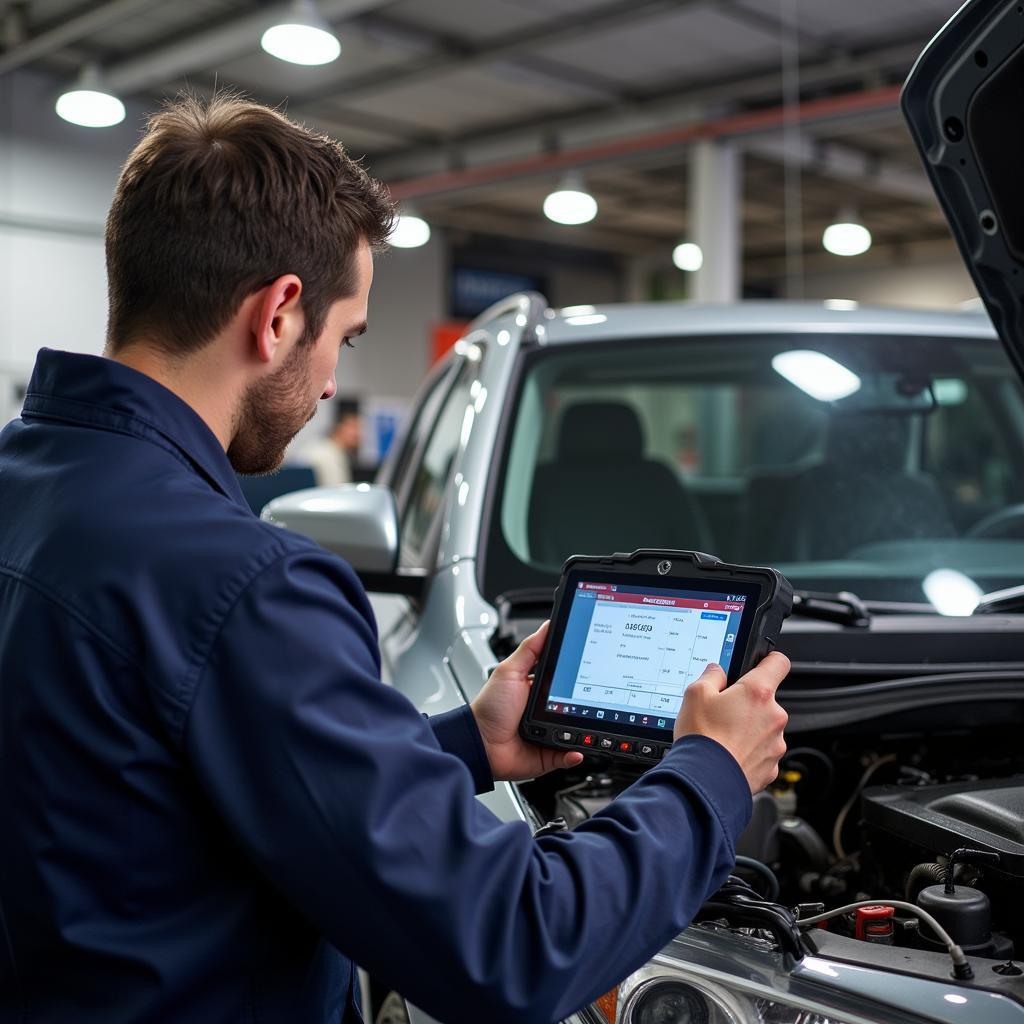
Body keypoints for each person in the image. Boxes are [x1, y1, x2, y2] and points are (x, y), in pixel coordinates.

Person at [0, 94, 789, 1024]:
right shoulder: (246, 585)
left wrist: (462, 744)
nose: (334, 380)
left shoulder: (25, 485)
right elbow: (514, 945)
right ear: (280, 314)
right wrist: (708, 776)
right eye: (346, 336)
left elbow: (161, 777)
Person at [305, 398, 365, 486]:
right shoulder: (327, 455)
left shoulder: (329, 450)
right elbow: (336, 492)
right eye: (354, 427)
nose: (358, 433)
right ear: (338, 427)